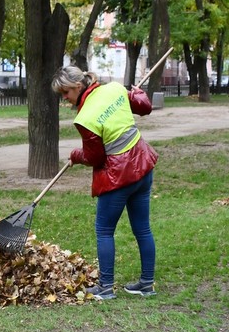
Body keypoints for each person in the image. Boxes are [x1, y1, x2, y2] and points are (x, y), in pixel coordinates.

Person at [52, 66, 158, 301]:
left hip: (118, 177)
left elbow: (95, 158)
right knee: (142, 228)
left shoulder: (85, 118)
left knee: (104, 230)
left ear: (78, 86)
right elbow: (144, 106)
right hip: (142, 166)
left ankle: (106, 286)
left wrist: (76, 155)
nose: (65, 98)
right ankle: (146, 284)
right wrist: (136, 94)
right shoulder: (114, 89)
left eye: (65, 92)